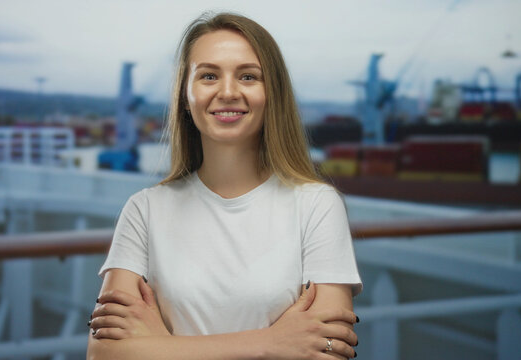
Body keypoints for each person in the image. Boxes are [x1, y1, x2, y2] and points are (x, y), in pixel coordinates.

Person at [87, 12, 362, 360]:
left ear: (271, 93)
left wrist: (158, 346)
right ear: (185, 95)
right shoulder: (145, 209)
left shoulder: (317, 205)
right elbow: (103, 354)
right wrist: (272, 344)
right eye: (208, 76)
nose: (228, 92)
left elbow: (327, 354)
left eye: (248, 76)